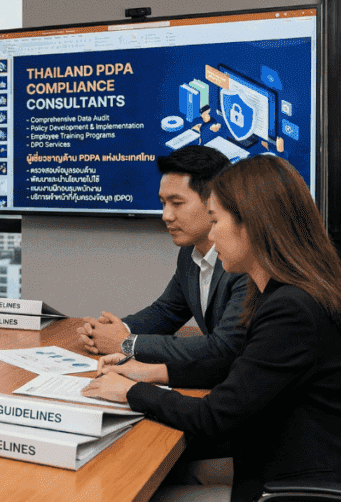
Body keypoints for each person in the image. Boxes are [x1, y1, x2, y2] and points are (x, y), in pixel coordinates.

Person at [82, 155, 341, 502]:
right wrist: (151, 372)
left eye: (215, 221)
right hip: (286, 457)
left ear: (253, 224)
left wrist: (130, 392)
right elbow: (243, 369)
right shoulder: (282, 291)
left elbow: (214, 416)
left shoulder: (291, 310)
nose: (210, 235)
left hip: (304, 485)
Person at [79, 145, 249, 364]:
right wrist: (114, 331)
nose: (166, 216)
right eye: (163, 203)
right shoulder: (189, 252)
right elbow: (167, 312)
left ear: (215, 201)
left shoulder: (245, 261)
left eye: (177, 203)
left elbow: (223, 348)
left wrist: (126, 343)